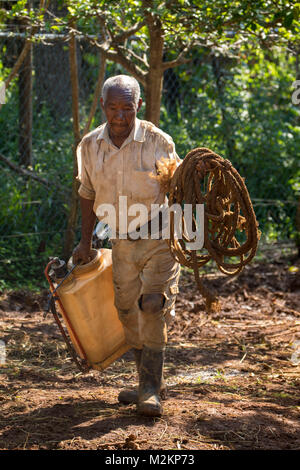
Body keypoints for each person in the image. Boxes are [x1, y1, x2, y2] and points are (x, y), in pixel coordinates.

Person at [72, 74, 181, 417]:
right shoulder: (90, 146)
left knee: (151, 303)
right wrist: (85, 241)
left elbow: (179, 190)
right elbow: (87, 194)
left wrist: (190, 237)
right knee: (127, 310)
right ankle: (145, 382)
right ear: (103, 106)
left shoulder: (157, 141)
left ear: (138, 107)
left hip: (160, 238)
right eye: (113, 107)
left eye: (127, 108)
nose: (120, 115)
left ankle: (150, 389)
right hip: (121, 240)